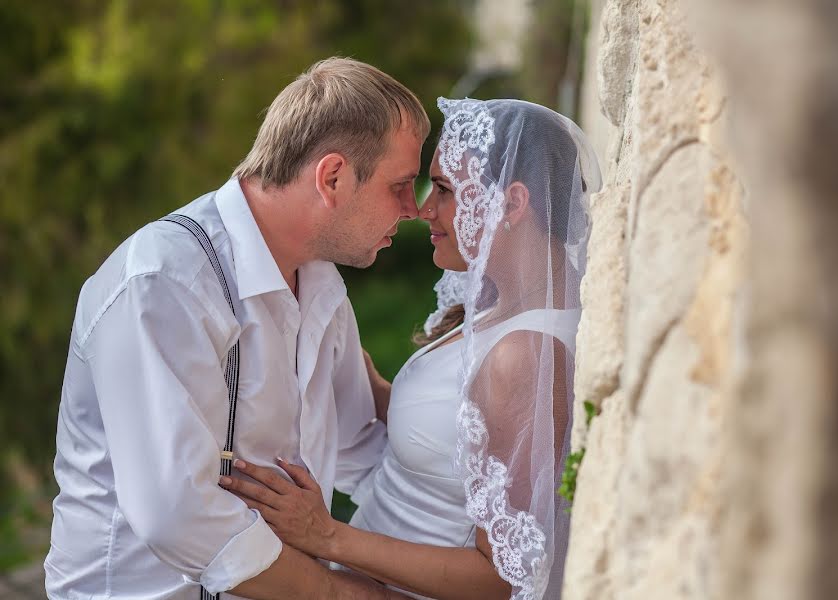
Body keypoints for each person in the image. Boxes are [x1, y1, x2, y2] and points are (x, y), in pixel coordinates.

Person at [45, 57, 430, 600]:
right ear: (334, 177)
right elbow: (176, 516)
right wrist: (340, 593)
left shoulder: (320, 285)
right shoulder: (164, 281)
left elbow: (364, 448)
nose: (414, 208)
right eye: (400, 185)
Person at [221, 98, 603, 600]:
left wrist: (327, 534)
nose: (424, 209)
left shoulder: (525, 355)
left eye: (443, 189)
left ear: (511, 203)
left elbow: (505, 576)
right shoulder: (497, 306)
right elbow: (450, 430)